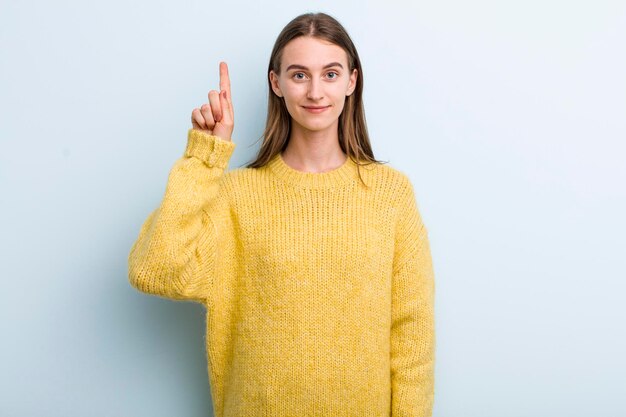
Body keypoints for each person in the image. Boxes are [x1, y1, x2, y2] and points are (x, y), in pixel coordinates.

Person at [128, 11, 436, 417]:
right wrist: (204, 157)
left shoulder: (390, 194)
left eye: (329, 73)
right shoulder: (237, 196)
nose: (315, 92)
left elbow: (412, 337)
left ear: (351, 81)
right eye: (298, 75)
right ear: (276, 83)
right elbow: (156, 269)